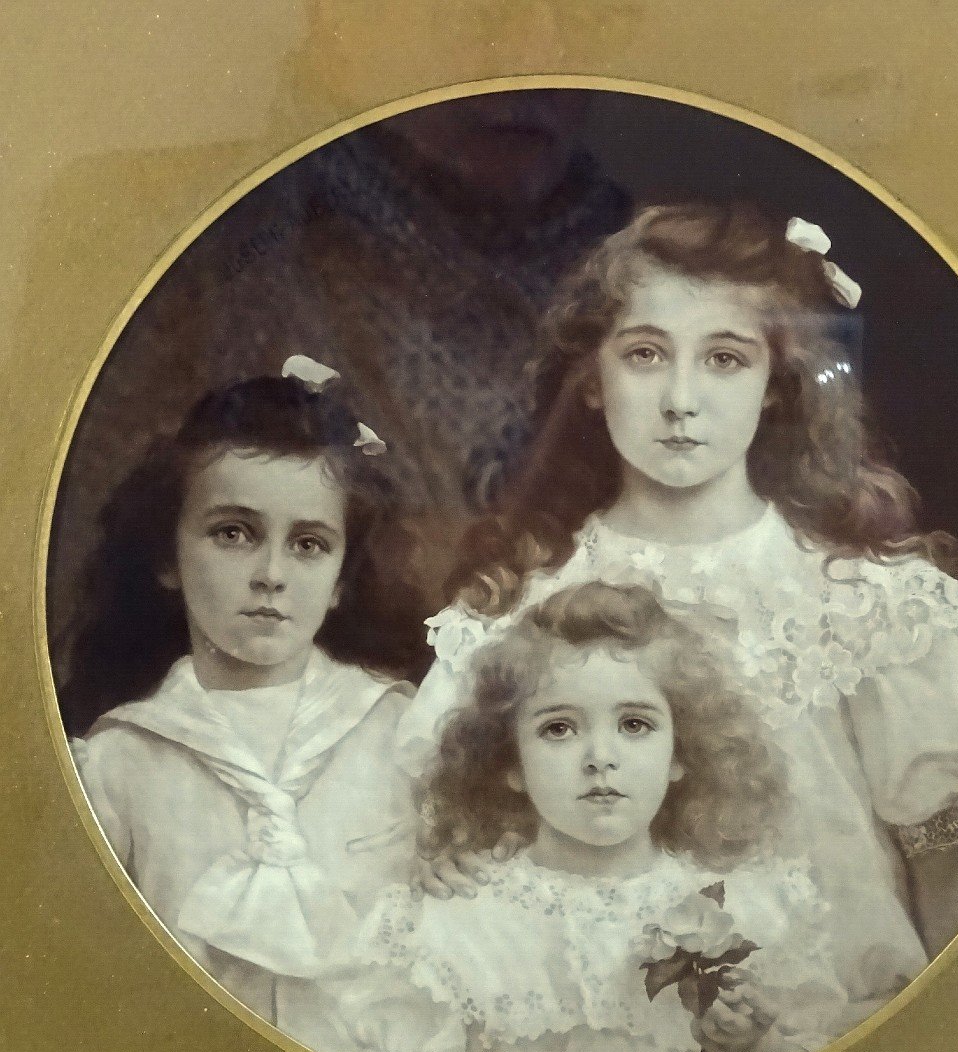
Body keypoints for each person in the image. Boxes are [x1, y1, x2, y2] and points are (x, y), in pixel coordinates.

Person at [402, 203, 958, 1019]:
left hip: (843, 1045)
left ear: (777, 388)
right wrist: (443, 857)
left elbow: (956, 882)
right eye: (645, 354)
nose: (681, 398)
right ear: (594, 382)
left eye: (724, 358)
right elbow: (439, 837)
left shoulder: (874, 606)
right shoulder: (522, 610)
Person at [48, 91, 631, 659]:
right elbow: (94, 600)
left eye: (577, 14)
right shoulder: (209, 253)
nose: (529, 65)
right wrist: (382, 571)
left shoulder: (651, 272)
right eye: (475, 17)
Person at [328, 582, 845, 1052]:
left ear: (680, 753)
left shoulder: (757, 909)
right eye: (559, 729)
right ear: (511, 763)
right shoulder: (454, 927)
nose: (601, 757)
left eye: (635, 725)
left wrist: (750, 1050)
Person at [64, 359, 425, 1052]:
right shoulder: (119, 763)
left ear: (342, 578)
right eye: (233, 533)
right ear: (167, 557)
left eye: (309, 544)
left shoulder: (401, 732)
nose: (271, 575)